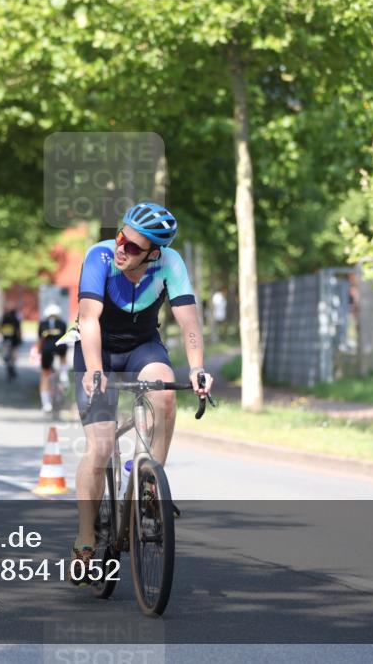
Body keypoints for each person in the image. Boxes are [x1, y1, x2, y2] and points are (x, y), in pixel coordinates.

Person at [69, 201, 214, 585]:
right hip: (96, 349)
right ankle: (85, 538)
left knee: (165, 393)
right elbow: (88, 319)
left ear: (154, 253)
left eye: (133, 247)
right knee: (100, 447)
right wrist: (95, 370)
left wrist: (197, 368)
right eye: (122, 237)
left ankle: (149, 484)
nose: (121, 248)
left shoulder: (171, 264)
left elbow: (190, 322)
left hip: (142, 347)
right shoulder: (100, 256)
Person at [35, 304, 68, 413]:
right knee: (63, 355)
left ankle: (46, 404)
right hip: (60, 347)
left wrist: (38, 352)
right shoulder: (62, 323)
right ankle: (64, 374)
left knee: (44, 375)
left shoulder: (42, 324)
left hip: (46, 349)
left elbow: (40, 340)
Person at [0, 305, 22, 380]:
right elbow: (18, 330)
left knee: (7, 354)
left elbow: (1, 328)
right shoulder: (15, 319)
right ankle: (12, 365)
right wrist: (20, 339)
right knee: (13, 355)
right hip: (14, 339)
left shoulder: (5, 318)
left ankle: (8, 364)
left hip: (6, 339)